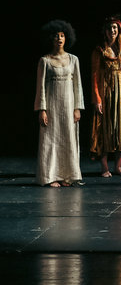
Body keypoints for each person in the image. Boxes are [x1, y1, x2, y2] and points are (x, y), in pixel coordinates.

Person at [34, 20, 84, 187]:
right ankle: (50, 176)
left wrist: (77, 107)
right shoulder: (45, 61)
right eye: (56, 36)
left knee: (68, 138)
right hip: (51, 105)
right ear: (51, 38)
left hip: (68, 106)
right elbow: (40, 87)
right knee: (51, 139)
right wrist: (42, 109)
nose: (59, 38)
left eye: (62, 35)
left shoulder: (73, 59)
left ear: (67, 37)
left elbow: (78, 86)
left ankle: (66, 175)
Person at [90, 17, 121, 177]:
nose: (112, 31)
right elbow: (95, 76)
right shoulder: (99, 51)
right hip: (106, 94)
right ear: (105, 31)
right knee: (105, 128)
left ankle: (118, 166)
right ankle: (104, 167)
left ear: (119, 30)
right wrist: (97, 99)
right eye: (110, 28)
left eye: (115, 28)